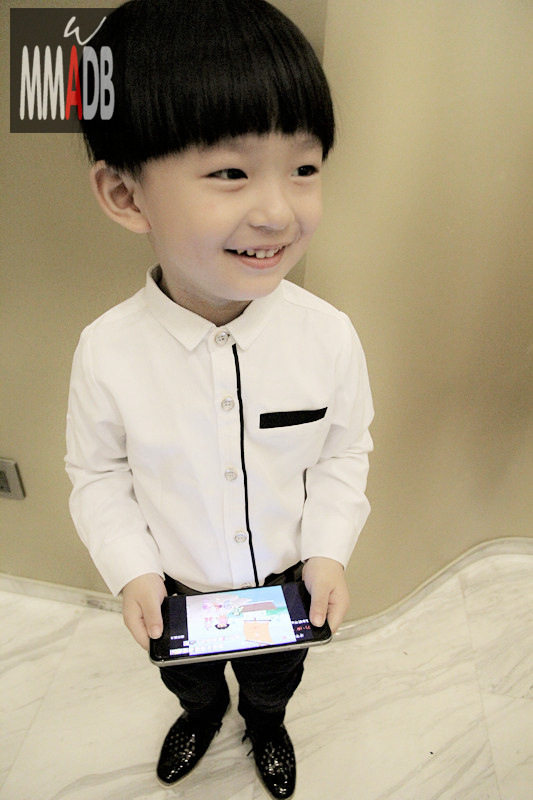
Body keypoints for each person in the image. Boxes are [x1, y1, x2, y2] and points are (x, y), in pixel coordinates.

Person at [65, 1, 373, 797]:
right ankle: (202, 717)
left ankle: (265, 727)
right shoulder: (106, 350)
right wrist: (133, 572)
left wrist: (328, 549)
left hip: (285, 584)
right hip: (175, 588)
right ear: (126, 195)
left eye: (303, 168)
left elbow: (343, 450)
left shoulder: (327, 336)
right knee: (191, 683)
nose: (277, 212)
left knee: (273, 683)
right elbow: (97, 474)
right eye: (231, 172)